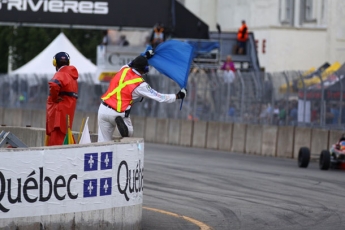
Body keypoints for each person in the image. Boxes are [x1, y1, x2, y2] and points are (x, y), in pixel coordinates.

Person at [97, 50, 187, 142]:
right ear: (145, 69)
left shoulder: (124, 68)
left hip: (103, 109)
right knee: (129, 133)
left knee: (103, 142)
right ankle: (126, 129)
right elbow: (160, 97)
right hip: (118, 113)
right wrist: (178, 96)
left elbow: (132, 63)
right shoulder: (140, 85)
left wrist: (146, 55)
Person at [46, 52, 79, 146]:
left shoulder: (61, 74)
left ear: (55, 63)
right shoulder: (72, 77)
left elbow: (53, 84)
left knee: (56, 146)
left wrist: (55, 98)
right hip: (66, 115)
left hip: (58, 117)